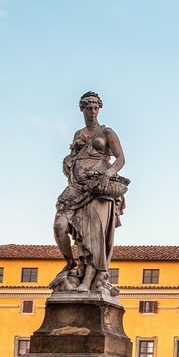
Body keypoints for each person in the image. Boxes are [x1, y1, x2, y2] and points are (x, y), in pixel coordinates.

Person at [51, 91, 129, 295]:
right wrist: (67, 162)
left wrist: (108, 174)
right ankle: (70, 264)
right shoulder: (78, 134)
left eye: (95, 108)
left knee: (93, 234)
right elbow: (73, 157)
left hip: (98, 187)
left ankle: (89, 278)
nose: (92, 111)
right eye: (88, 108)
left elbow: (120, 159)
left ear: (99, 109)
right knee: (59, 225)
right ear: (82, 109)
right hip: (76, 186)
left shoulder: (107, 132)